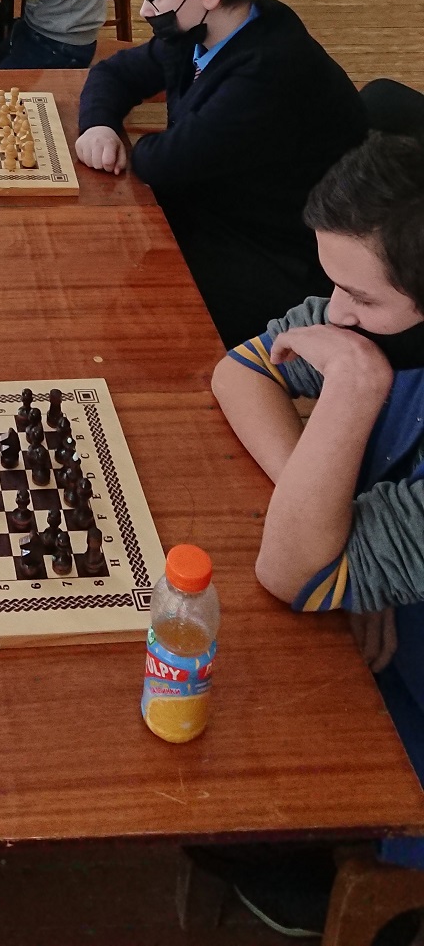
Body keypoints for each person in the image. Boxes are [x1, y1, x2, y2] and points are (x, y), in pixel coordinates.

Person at [209, 134, 424, 930]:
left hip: (412, 708)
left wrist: (353, 385)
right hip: (380, 631)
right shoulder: (382, 316)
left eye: (360, 298)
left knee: (216, 781)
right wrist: (330, 513)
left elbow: (291, 572)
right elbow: (241, 369)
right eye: (332, 283)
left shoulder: (369, 352)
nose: (334, 314)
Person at [75, 0, 367, 346]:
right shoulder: (204, 31)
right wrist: (98, 124)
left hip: (271, 252)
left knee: (113, 306)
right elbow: (114, 73)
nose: (146, 10)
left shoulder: (270, 72)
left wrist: (129, 142)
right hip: (217, 207)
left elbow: (164, 163)